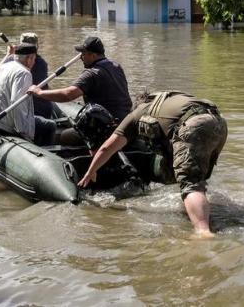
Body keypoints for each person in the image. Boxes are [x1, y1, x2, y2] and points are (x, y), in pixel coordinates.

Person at [78, 91, 228, 236]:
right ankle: (198, 210)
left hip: (194, 125)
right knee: (193, 177)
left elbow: (106, 147)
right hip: (218, 122)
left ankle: (203, 232)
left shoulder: (138, 113)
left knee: (190, 183)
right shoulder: (168, 100)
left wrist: (91, 171)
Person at [28, 36, 132, 145]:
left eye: (84, 54)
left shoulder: (91, 73)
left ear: (93, 55)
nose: (81, 58)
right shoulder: (116, 66)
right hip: (124, 123)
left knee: (57, 135)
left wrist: (39, 92)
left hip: (103, 126)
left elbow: (68, 94)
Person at [0, 43, 56, 146]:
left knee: (39, 121)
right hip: (8, 124)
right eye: (34, 59)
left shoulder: (3, 66)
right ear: (28, 59)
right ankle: (45, 153)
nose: (34, 62)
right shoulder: (24, 73)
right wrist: (24, 133)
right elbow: (17, 103)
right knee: (50, 125)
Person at [0, 32, 53, 119]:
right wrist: (9, 55)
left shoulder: (37, 63)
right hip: (25, 106)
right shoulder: (16, 59)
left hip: (35, 109)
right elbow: (0, 71)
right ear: (37, 46)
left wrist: (9, 55)